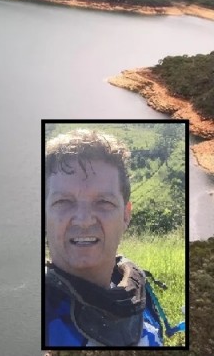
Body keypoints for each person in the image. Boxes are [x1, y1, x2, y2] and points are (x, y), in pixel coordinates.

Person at [44, 129, 163, 347]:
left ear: (126, 215)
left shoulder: (138, 296)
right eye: (63, 202)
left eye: (104, 203)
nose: (83, 220)